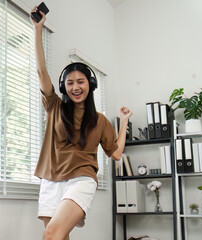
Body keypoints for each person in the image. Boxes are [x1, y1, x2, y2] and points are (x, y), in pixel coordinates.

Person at [31, 6, 132, 240]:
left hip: (81, 178)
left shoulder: (99, 120)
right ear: (64, 86)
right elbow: (40, 71)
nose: (75, 87)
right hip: (51, 177)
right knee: (58, 236)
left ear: (90, 85)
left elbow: (116, 154)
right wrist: (38, 29)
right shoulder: (54, 105)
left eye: (81, 81)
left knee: (51, 234)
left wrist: (124, 122)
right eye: (70, 83)